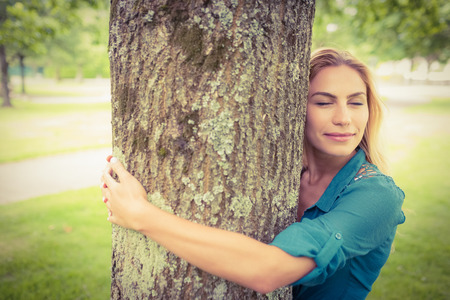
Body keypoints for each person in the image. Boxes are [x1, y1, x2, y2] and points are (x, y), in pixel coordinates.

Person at [101, 48, 405, 299]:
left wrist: (141, 215)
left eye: (356, 102)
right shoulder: (277, 176)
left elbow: (269, 271)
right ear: (295, 108)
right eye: (324, 102)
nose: (343, 118)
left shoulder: (376, 195)